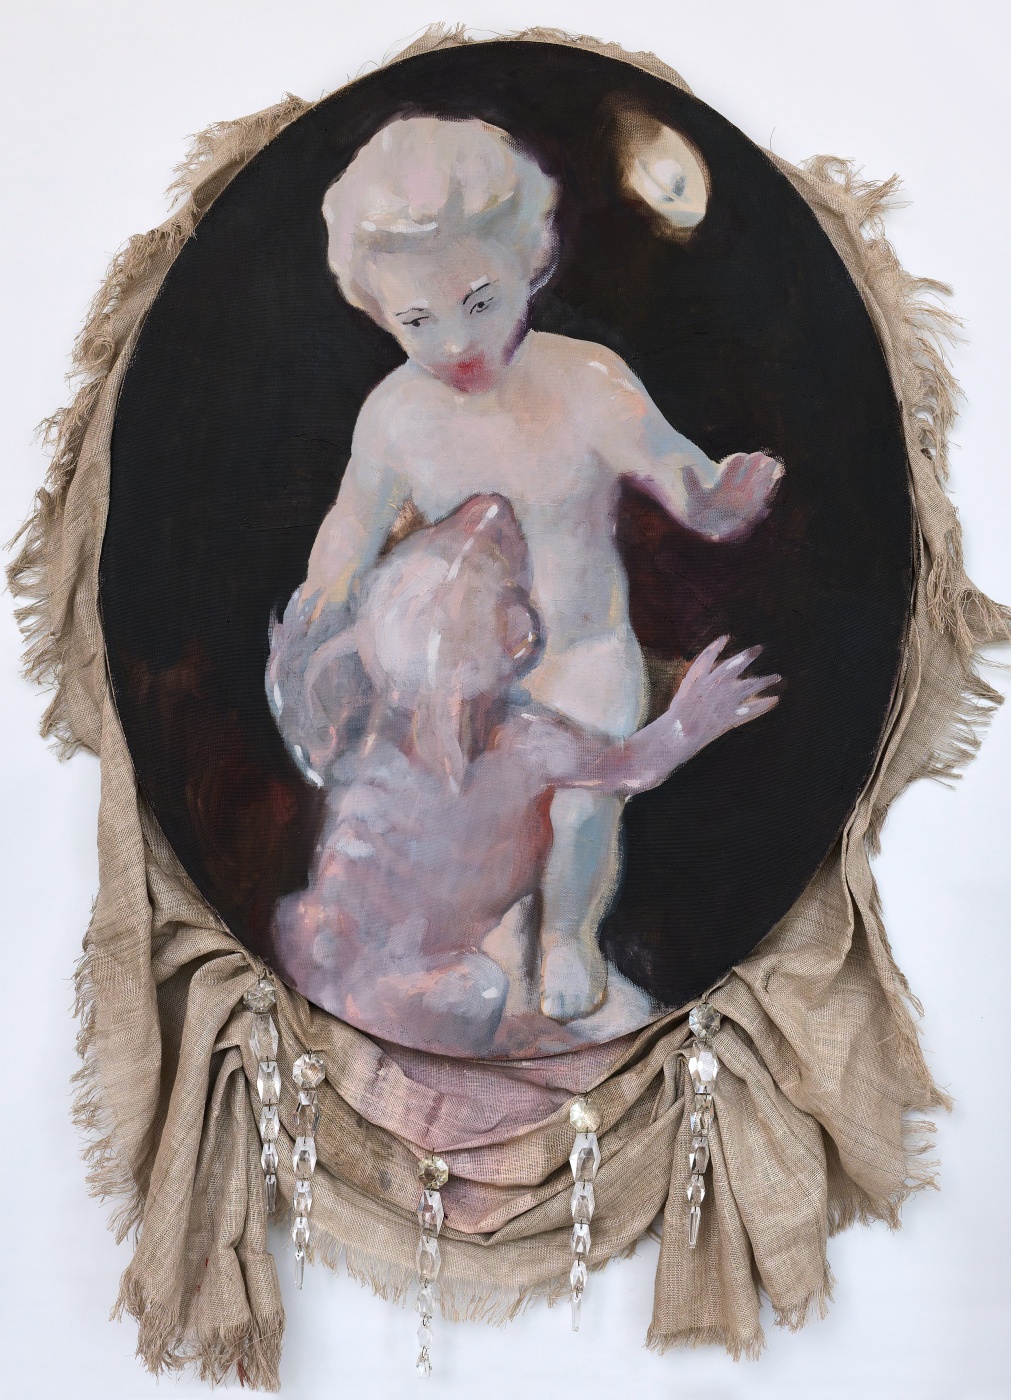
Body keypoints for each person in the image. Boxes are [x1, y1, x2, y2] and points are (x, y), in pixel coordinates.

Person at [282, 114, 782, 1023]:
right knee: (471, 818)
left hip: (579, 653)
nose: (454, 343)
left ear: (530, 260)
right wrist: (331, 586)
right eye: (417, 321)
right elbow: (352, 521)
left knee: (582, 809)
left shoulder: (586, 382)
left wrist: (717, 502)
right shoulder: (395, 414)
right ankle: (497, 925)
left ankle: (567, 934)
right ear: (379, 314)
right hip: (460, 671)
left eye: (478, 302)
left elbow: (672, 469)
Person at [271, 494, 778, 1058]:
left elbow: (629, 766)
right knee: (474, 988)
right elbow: (636, 766)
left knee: (471, 984)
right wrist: (688, 720)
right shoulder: (479, 750)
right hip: (376, 980)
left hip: (385, 969)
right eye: (506, 592)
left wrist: (688, 721)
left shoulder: (473, 738)